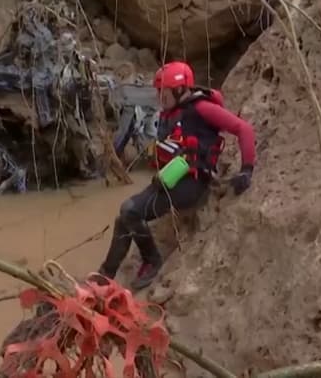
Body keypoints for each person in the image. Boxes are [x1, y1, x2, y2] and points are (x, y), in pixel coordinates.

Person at [96, 60, 257, 290]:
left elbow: (244, 129)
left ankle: (152, 261)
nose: (159, 98)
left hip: (192, 184)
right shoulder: (170, 112)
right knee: (124, 218)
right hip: (171, 179)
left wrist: (246, 170)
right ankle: (105, 274)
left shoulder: (201, 109)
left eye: (164, 93)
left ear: (180, 90)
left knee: (129, 210)